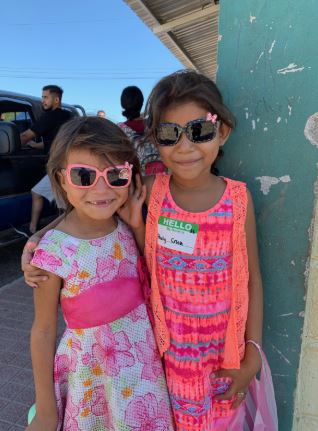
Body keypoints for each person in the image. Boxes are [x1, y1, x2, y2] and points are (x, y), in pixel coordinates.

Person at [23, 70, 277, 430]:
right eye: (170, 135)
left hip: (221, 360)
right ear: (155, 140)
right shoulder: (151, 191)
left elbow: (251, 279)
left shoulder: (238, 199)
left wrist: (252, 352)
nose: (185, 147)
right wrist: (37, 242)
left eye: (200, 130)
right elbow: (92, 204)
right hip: (161, 364)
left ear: (222, 131)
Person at [25, 116, 174, 431]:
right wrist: (47, 410)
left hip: (143, 372)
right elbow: (42, 331)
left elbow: (150, 276)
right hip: (92, 379)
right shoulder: (52, 251)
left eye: (116, 174)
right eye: (84, 175)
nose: (102, 189)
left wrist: (136, 225)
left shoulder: (125, 225)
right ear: (61, 179)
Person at [20, 85, 72, 235]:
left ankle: (64, 234)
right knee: (38, 193)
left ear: (56, 100)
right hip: (64, 166)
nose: (43, 100)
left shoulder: (50, 116)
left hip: (59, 168)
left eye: (45, 97)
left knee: (65, 206)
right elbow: (53, 140)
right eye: (42, 97)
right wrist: (36, 145)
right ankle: (33, 229)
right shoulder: (67, 116)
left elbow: (24, 136)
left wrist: (10, 141)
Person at [118, 85, 165, 176]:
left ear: (123, 104)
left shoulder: (119, 130)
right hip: (161, 179)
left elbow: (120, 161)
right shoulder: (155, 125)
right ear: (142, 102)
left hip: (136, 182)